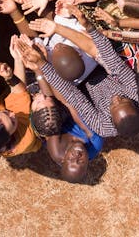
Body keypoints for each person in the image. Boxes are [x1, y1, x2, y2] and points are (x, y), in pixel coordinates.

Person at [20, 10, 139, 139]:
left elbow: (73, 96)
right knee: (65, 32)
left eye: (113, 105)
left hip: (77, 82)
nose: (116, 98)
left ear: (111, 119)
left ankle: (22, 23)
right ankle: (50, 18)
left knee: (49, 58)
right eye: (122, 100)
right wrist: (90, 28)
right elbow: (112, 62)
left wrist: (42, 64)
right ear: (136, 105)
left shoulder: (101, 126)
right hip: (99, 64)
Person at [20, 45, 103, 183]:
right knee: (67, 67)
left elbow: (51, 111)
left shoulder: (56, 150)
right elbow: (70, 105)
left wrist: (39, 71)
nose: (77, 156)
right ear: (88, 162)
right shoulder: (95, 144)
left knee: (37, 81)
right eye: (80, 161)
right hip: (74, 106)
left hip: (53, 116)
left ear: (63, 158)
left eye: (72, 159)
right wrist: (46, 66)